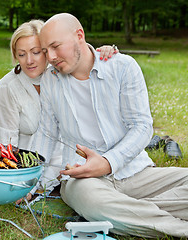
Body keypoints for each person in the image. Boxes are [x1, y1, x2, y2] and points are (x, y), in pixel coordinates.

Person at [29, 13, 188, 238]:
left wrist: (107, 163)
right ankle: (179, 228)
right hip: (82, 179)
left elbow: (141, 126)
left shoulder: (122, 67)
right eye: (46, 51)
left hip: (134, 172)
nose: (51, 57)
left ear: (79, 36)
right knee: (92, 202)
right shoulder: (50, 80)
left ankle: (128, 211)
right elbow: (46, 133)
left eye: (55, 46)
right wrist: (32, 184)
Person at [0, 19, 117, 197]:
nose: (29, 61)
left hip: (73, 158)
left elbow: (84, 58)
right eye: (22, 54)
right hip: (30, 163)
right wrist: (18, 180)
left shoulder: (62, 73)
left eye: (36, 52)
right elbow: (3, 144)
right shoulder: (7, 88)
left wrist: (106, 53)